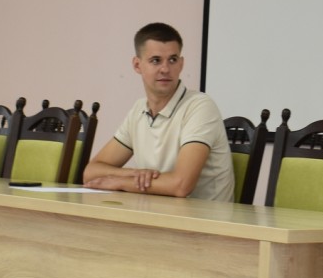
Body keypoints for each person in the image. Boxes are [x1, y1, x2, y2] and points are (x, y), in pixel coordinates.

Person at [83, 23, 233, 201]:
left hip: (203, 217)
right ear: (137, 65)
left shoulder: (200, 106)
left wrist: (120, 182)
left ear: (181, 64)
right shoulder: (139, 109)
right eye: (156, 60)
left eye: (173, 60)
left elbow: (181, 185)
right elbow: (91, 172)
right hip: (158, 213)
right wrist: (135, 174)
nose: (165, 69)